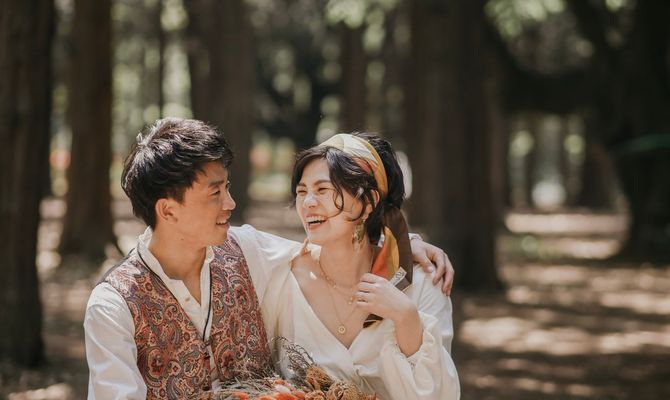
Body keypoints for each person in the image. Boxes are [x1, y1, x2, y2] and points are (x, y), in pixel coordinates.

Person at [83, 118, 454, 399]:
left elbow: (335, 247)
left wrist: (403, 244)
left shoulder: (244, 252)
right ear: (168, 210)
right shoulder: (115, 305)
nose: (231, 203)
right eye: (215, 193)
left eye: (227, 188)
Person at [264, 133, 460, 400]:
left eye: (322, 190)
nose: (308, 202)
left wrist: (406, 318)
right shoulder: (282, 276)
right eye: (302, 191)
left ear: (368, 202)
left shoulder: (424, 283)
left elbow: (439, 396)